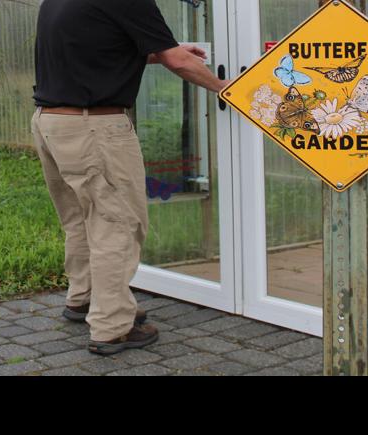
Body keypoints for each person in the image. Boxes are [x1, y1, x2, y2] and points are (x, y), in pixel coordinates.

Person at [31, 0, 229, 355]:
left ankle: (84, 298)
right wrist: (224, 86)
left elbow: (98, 49)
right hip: (94, 127)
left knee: (81, 219)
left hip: (51, 122)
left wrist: (162, 51)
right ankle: (112, 326)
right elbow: (177, 61)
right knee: (117, 225)